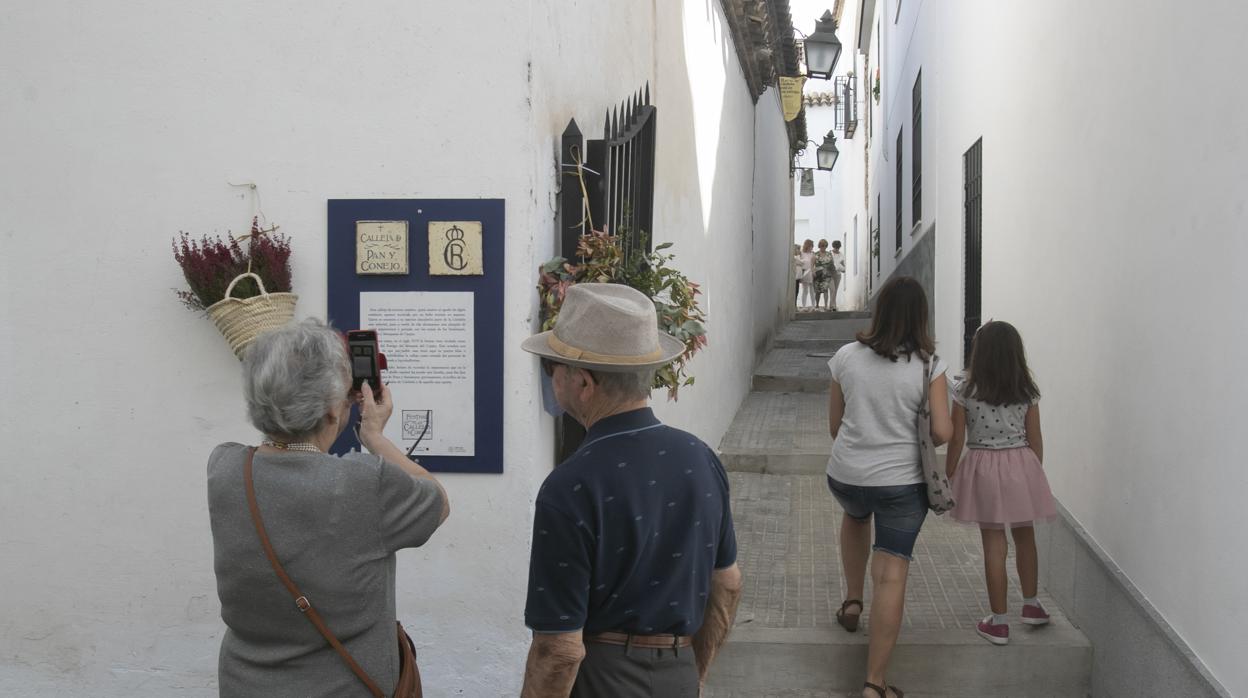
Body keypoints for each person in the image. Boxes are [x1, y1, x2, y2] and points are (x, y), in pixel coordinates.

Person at [519, 283, 743, 698]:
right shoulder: (702, 459)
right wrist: (693, 675)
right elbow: (727, 583)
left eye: (554, 368)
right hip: (678, 675)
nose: (551, 379)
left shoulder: (570, 485)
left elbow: (559, 649)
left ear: (583, 382)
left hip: (601, 680)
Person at [207, 319, 450, 697]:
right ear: (333, 412)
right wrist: (373, 436)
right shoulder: (364, 484)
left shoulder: (224, 468)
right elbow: (437, 501)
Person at [825, 276, 952, 698]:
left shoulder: (845, 357)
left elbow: (834, 426)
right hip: (901, 483)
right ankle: (873, 685)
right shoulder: (930, 365)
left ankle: (852, 601)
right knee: (892, 573)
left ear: (879, 312)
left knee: (855, 516)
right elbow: (942, 431)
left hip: (847, 475)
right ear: (921, 317)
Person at [945, 321, 1057, 646]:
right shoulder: (1027, 391)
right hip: (1021, 465)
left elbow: (956, 440)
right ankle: (1032, 605)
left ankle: (998, 622)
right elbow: (1036, 441)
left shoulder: (965, 390)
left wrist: (949, 473)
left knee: (994, 545)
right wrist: (1032, 474)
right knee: (1026, 538)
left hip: (982, 468)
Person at [812, 239, 835, 310]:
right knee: (817, 291)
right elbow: (812, 265)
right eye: (822, 246)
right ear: (819, 246)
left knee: (826, 290)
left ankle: (826, 305)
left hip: (827, 274)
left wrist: (832, 271)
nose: (823, 247)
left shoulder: (829, 254)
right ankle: (817, 305)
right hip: (818, 275)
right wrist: (813, 272)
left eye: (825, 246)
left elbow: (832, 264)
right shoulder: (815, 254)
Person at [797, 239, 816, 311]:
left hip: (811, 272)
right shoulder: (801, 253)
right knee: (805, 290)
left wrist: (814, 271)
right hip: (804, 273)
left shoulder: (812, 254)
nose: (812, 247)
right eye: (811, 246)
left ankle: (813, 305)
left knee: (812, 290)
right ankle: (804, 306)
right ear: (808, 246)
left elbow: (814, 264)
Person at [829, 240, 846, 310]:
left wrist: (843, 269)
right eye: (836, 247)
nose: (837, 249)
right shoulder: (829, 253)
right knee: (832, 289)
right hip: (830, 274)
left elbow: (843, 264)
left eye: (838, 248)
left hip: (838, 274)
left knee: (835, 290)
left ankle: (833, 305)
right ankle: (832, 305)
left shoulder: (841, 254)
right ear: (833, 247)